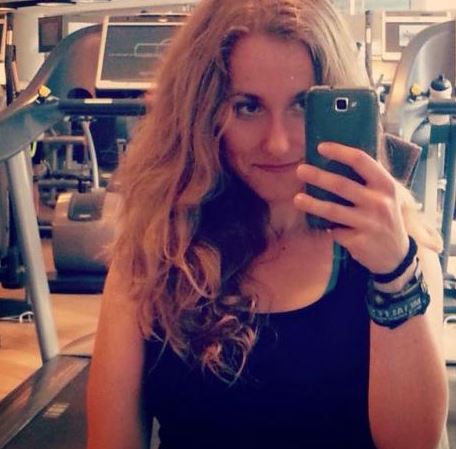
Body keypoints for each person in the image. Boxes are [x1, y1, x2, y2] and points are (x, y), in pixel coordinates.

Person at [86, 1, 449, 448]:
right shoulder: (154, 253)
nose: (277, 143)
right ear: (202, 115)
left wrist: (395, 275)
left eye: (302, 105)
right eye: (248, 107)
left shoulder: (400, 253)